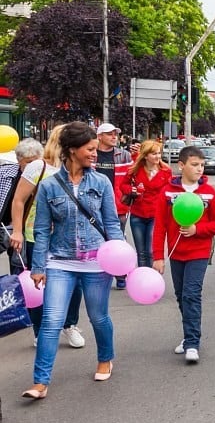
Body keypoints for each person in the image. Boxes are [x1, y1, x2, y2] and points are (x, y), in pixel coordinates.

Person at [22, 122, 125, 400]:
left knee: (98, 317)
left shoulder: (101, 182)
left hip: (96, 262)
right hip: (61, 261)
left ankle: (105, 358)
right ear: (72, 150)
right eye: (90, 149)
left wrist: (122, 261)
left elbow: (112, 224)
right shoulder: (49, 187)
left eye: (95, 149)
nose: (95, 154)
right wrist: (39, 266)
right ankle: (40, 382)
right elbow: (42, 229)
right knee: (52, 321)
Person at [8, 127, 86, 349]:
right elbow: (18, 200)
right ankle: (40, 330)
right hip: (36, 235)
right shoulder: (38, 166)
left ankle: (69, 325)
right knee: (38, 283)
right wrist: (17, 231)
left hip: (71, 238)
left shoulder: (80, 167)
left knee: (75, 284)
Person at [152, 146, 215, 363]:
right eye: (195, 165)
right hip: (176, 253)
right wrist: (158, 256)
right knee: (180, 295)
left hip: (199, 252)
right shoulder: (167, 191)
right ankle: (188, 335)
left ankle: (192, 342)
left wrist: (197, 230)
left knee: (192, 294)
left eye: (202, 165)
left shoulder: (209, 192)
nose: (199, 169)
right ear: (181, 165)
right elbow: (160, 226)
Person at [93, 123, 135, 288]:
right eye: (109, 134)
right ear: (100, 136)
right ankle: (98, 274)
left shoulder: (123, 155)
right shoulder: (91, 154)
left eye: (115, 134)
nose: (113, 137)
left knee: (117, 239)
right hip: (94, 205)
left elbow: (131, 177)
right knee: (97, 240)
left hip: (117, 205)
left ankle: (120, 274)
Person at [120, 139, 172, 268]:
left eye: (159, 153)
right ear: (145, 155)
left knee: (150, 250)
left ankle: (151, 277)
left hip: (155, 215)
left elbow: (170, 191)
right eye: (154, 153)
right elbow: (123, 185)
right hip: (137, 214)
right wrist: (131, 190)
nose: (157, 156)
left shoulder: (165, 171)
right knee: (141, 252)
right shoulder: (135, 170)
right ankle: (143, 278)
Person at [2, 138, 42, 270]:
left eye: (36, 161)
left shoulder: (46, 174)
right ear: (19, 161)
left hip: (35, 230)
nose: (33, 166)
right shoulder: (5, 173)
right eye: (28, 162)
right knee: (17, 268)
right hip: (9, 229)